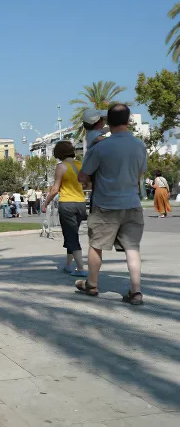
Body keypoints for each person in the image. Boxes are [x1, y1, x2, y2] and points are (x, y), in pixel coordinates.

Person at [77, 104, 147, 305]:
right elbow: (140, 174)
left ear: (108, 121)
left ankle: (92, 285)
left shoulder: (100, 147)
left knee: (96, 245)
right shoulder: (139, 145)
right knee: (132, 248)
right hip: (132, 204)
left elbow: (83, 176)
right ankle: (135, 292)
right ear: (128, 120)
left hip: (105, 205)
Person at [42, 141, 88, 277]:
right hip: (80, 203)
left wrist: (45, 203)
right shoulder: (80, 165)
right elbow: (86, 184)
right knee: (71, 234)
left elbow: (55, 189)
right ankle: (68, 265)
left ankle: (80, 268)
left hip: (67, 204)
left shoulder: (61, 167)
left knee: (71, 236)